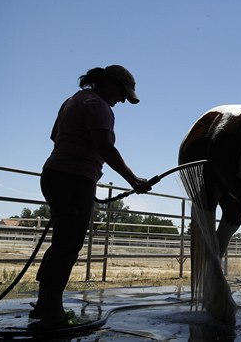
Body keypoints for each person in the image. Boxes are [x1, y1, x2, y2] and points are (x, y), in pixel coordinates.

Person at [29, 65, 152, 329]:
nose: (121, 100)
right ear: (109, 84)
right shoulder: (98, 105)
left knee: (63, 241)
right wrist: (133, 180)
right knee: (67, 244)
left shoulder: (73, 100)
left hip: (55, 173)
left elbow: (55, 136)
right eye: (122, 94)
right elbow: (106, 147)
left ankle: (45, 306)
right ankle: (51, 312)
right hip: (73, 179)